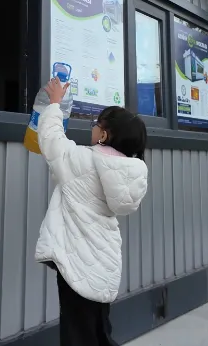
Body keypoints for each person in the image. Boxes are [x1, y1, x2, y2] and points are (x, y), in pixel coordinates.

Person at [34, 77, 150, 346]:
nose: (93, 128)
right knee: (97, 330)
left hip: (78, 262)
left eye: (96, 124)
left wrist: (54, 104)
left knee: (78, 334)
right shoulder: (127, 170)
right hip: (103, 259)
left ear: (105, 135)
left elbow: (51, 142)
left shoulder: (86, 162)